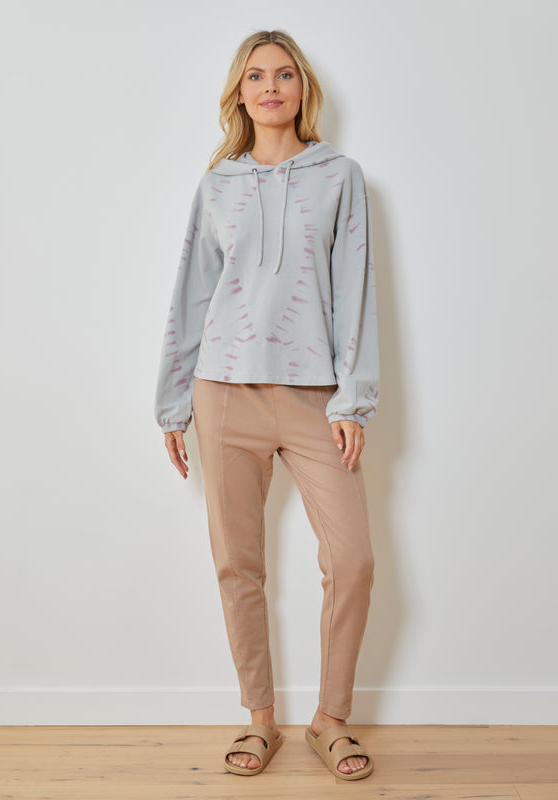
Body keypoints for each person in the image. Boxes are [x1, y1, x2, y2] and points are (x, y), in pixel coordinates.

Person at [154, 29, 379, 780]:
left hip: (316, 400)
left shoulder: (341, 177)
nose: (271, 87)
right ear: (240, 93)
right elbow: (192, 296)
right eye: (256, 76)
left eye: (284, 74)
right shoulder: (217, 185)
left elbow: (356, 292)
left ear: (302, 89)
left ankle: (331, 721)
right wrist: (173, 403)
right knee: (237, 564)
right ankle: (259, 719)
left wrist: (353, 401)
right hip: (223, 394)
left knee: (352, 561)